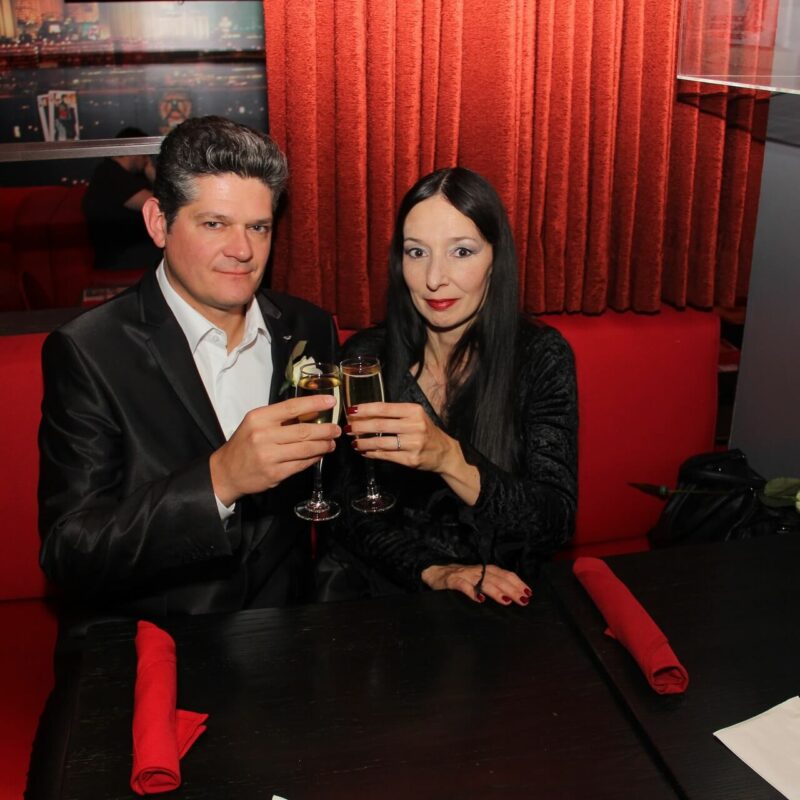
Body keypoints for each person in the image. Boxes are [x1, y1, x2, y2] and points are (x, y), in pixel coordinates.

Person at [326, 167, 577, 607]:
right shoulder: (366, 360)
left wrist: (449, 458)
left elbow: (555, 522)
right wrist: (434, 571)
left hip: (498, 599)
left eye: (461, 251)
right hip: (386, 592)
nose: (434, 278)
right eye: (417, 252)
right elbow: (346, 509)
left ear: (495, 258)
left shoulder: (540, 356)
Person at [82, 127, 162, 270]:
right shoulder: (109, 172)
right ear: (134, 151)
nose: (147, 160)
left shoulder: (125, 175)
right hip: (120, 256)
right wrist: (153, 176)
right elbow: (158, 204)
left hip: (133, 250)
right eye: (145, 155)